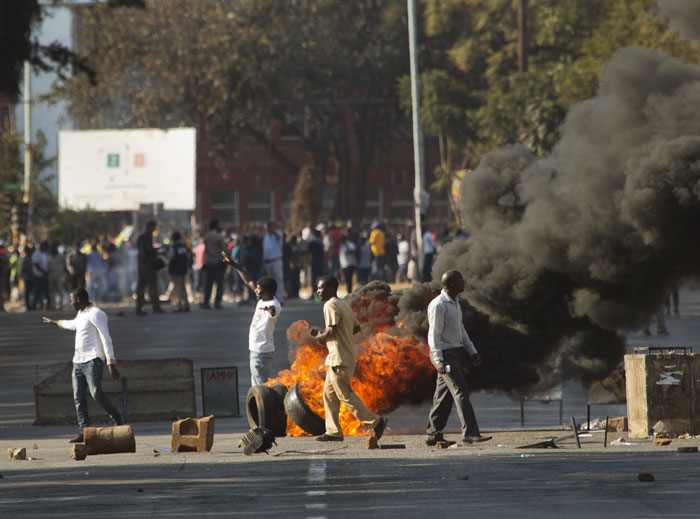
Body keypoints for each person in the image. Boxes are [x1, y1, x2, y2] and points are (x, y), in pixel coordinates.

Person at [42, 288, 124, 443]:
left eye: (72, 300)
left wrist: (110, 362)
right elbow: (73, 325)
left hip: (93, 360)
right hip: (78, 361)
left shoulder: (96, 314)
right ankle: (84, 430)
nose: (70, 303)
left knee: (96, 393)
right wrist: (56, 322)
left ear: (79, 299)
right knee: (78, 396)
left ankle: (117, 418)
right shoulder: (81, 314)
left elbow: (106, 338)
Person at [311, 275, 388, 442]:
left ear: (331, 288)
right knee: (328, 395)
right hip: (341, 356)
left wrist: (321, 337)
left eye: (321, 287)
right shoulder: (344, 304)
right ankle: (333, 431)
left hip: (338, 358)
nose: (318, 291)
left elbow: (331, 330)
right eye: (317, 288)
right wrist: (335, 337)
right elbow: (355, 328)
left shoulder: (330, 304)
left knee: (345, 395)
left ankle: (375, 422)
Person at [425, 270, 491, 446]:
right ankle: (470, 433)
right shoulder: (438, 305)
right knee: (461, 390)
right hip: (445, 355)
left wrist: (472, 350)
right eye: (460, 279)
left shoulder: (455, 303)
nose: (464, 282)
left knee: (443, 395)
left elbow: (460, 329)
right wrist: (438, 359)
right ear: (452, 284)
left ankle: (433, 433)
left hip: (455, 352)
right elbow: (434, 334)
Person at [223, 253, 281, 386]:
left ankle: (264, 407)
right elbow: (248, 280)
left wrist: (268, 309)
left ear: (266, 291)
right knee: (257, 385)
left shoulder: (273, 305)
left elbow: (272, 311)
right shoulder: (262, 299)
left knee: (260, 387)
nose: (256, 290)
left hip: (261, 352)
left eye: (259, 289)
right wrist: (233, 264)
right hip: (257, 350)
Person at [136, 221, 164, 315]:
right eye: (154, 227)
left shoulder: (142, 237)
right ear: (149, 227)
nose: (154, 229)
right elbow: (149, 250)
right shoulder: (147, 236)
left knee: (141, 286)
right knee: (153, 286)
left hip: (141, 264)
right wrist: (158, 249)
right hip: (148, 264)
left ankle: (139, 308)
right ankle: (156, 307)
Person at [201, 220, 226, 309]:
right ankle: (217, 302)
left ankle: (206, 302)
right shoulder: (219, 236)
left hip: (209, 263)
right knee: (219, 284)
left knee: (208, 284)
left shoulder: (206, 236)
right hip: (218, 262)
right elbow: (224, 249)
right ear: (216, 226)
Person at [262, 221, 285, 304]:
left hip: (276, 260)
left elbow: (278, 236)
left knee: (278, 280)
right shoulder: (266, 236)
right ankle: (271, 299)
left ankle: (280, 299)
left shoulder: (278, 234)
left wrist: (273, 229)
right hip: (267, 262)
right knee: (269, 282)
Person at [168, 231, 191, 312]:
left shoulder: (174, 247)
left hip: (176, 270)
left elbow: (171, 257)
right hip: (183, 269)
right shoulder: (183, 246)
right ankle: (186, 304)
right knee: (183, 287)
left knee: (178, 288)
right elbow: (187, 257)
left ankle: (179, 305)